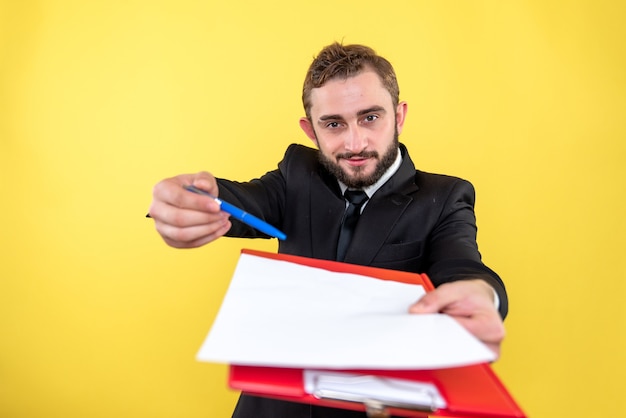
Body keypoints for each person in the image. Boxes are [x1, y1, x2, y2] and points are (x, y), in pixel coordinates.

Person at [148, 42, 507, 418]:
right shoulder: (296, 174)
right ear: (310, 129)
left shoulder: (445, 197)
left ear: (399, 116)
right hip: (272, 409)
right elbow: (242, 201)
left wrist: (482, 294)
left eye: (370, 118)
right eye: (333, 124)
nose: (355, 143)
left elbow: (461, 264)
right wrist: (190, 201)